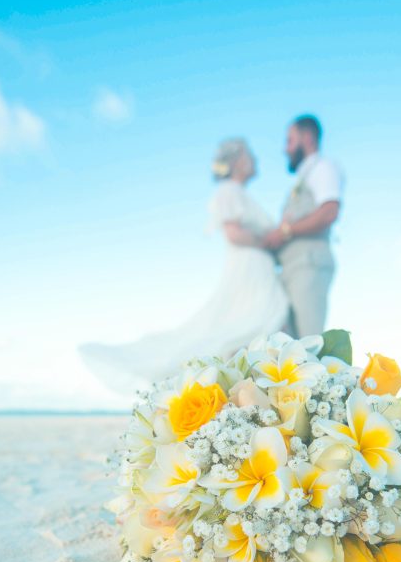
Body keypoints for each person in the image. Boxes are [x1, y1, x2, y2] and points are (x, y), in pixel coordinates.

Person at [80, 139, 289, 395]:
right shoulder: (228, 191)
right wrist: (268, 241)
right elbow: (233, 233)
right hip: (248, 268)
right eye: (249, 155)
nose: (255, 159)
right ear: (236, 162)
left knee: (256, 326)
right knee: (242, 327)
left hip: (259, 269)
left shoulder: (242, 194)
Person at [263, 115, 343, 337]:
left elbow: (329, 211)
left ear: (307, 138)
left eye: (289, 140)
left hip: (309, 265)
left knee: (308, 342)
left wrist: (286, 231)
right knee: (286, 340)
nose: (284, 149)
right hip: (291, 269)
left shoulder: (323, 167)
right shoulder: (304, 177)